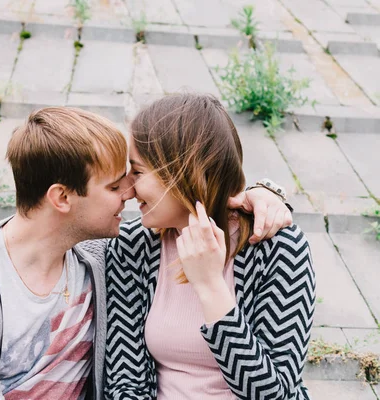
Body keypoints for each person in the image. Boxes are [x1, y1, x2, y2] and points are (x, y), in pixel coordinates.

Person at [0, 106, 292, 400]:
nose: (128, 193)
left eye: (133, 176)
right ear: (61, 198)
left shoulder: (99, 254)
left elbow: (200, 166)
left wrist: (266, 191)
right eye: (114, 186)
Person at [104, 93, 316, 400]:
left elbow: (274, 394)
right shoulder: (134, 247)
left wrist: (210, 286)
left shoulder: (278, 249)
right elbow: (126, 383)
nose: (127, 189)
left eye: (137, 172)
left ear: (181, 174)